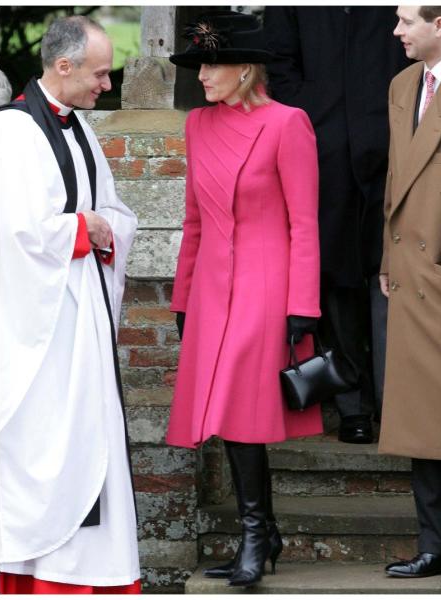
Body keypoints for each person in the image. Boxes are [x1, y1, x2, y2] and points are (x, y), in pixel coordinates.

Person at [165, 10, 322, 587]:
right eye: (200, 64)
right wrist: (183, 298)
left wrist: (301, 304)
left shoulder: (288, 123)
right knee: (226, 414)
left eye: (212, 64)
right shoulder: (198, 125)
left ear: (245, 70)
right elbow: (193, 220)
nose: (203, 75)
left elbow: (304, 224)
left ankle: (257, 534)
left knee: (246, 408)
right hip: (210, 288)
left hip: (265, 285)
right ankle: (262, 532)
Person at [0, 16, 140, 594]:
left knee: (88, 441)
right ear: (63, 66)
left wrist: (108, 228)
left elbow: (113, 211)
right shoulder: (12, 133)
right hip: (38, 332)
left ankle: (87, 575)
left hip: (83, 321)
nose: (106, 84)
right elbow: (13, 235)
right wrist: (84, 229)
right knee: (44, 446)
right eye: (99, 72)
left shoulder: (80, 128)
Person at [262, 7, 411, 444]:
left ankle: (394, 403)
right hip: (321, 148)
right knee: (334, 279)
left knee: (392, 275)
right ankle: (352, 404)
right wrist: (310, 110)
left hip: (393, 146)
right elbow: (278, 59)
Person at [378, 5, 441, 589]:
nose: (395, 30)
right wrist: (388, 258)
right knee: (418, 417)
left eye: (407, 19)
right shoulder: (402, 84)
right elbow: (397, 177)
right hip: (407, 272)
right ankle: (434, 546)